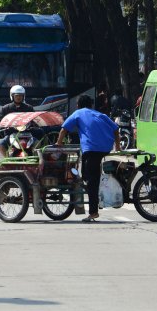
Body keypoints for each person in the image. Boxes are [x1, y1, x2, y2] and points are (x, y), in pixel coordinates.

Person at [55, 94, 120, 222]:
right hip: (105, 148)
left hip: (92, 149)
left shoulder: (78, 113)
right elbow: (116, 129)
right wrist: (117, 147)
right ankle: (95, 193)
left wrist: (59, 144)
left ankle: (93, 212)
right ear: (91, 105)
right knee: (87, 175)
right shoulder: (100, 114)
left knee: (91, 181)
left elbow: (64, 129)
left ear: (78, 105)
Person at [0, 85, 34, 156]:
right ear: (12, 96)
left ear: (23, 96)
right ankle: (7, 160)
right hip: (11, 133)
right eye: (16, 96)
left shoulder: (29, 108)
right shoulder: (6, 108)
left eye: (20, 95)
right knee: (0, 144)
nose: (19, 97)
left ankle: (36, 158)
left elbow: (34, 120)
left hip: (27, 134)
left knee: (37, 142)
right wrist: (1, 125)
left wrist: (33, 126)